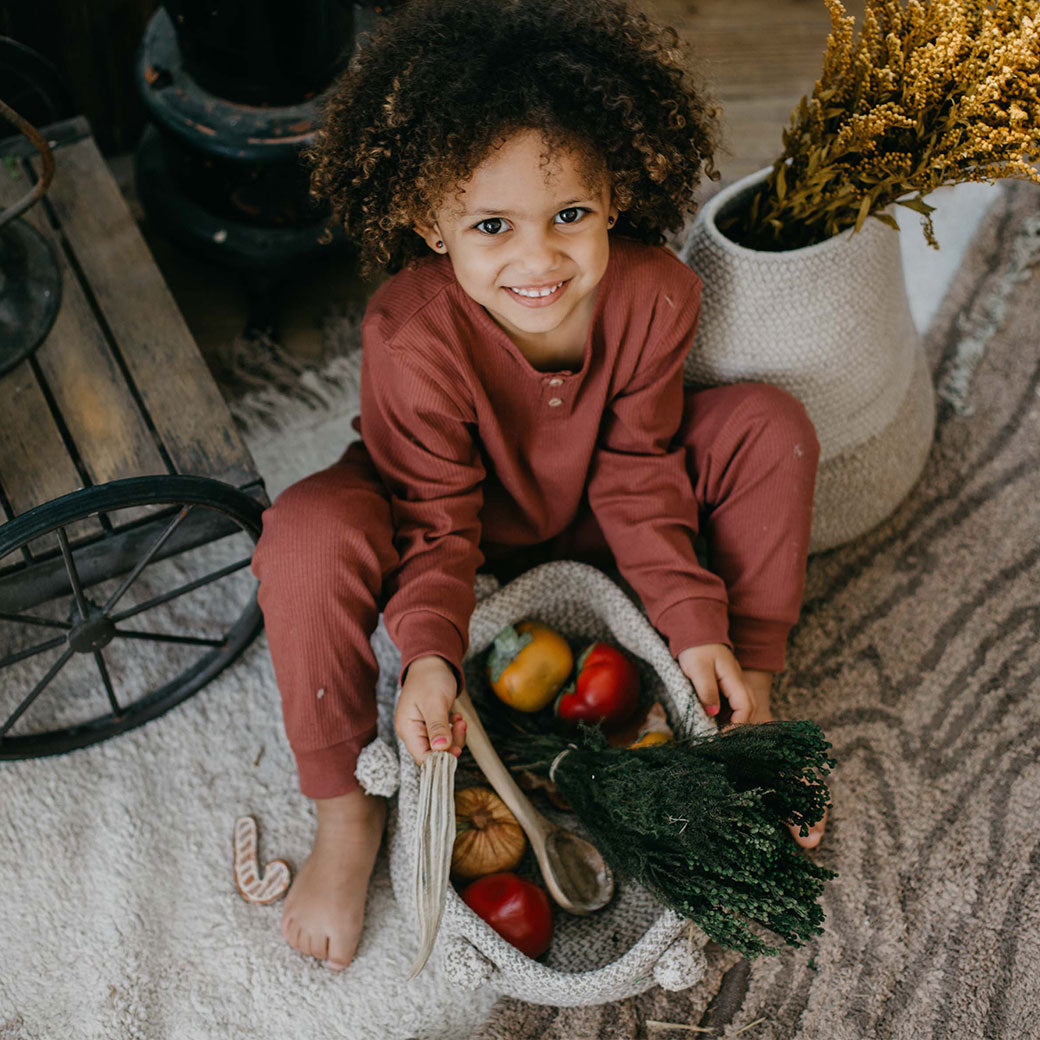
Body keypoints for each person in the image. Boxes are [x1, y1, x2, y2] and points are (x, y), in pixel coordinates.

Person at [251, 0, 826, 973]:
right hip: (428, 522)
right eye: (490, 224)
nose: (537, 258)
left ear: (614, 197)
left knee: (768, 425)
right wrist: (427, 651)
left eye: (569, 214)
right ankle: (343, 807)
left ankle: (744, 692)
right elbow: (432, 515)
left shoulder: (654, 293)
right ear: (430, 223)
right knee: (304, 531)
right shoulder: (410, 330)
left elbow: (638, 468)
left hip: (598, 526)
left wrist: (695, 621)